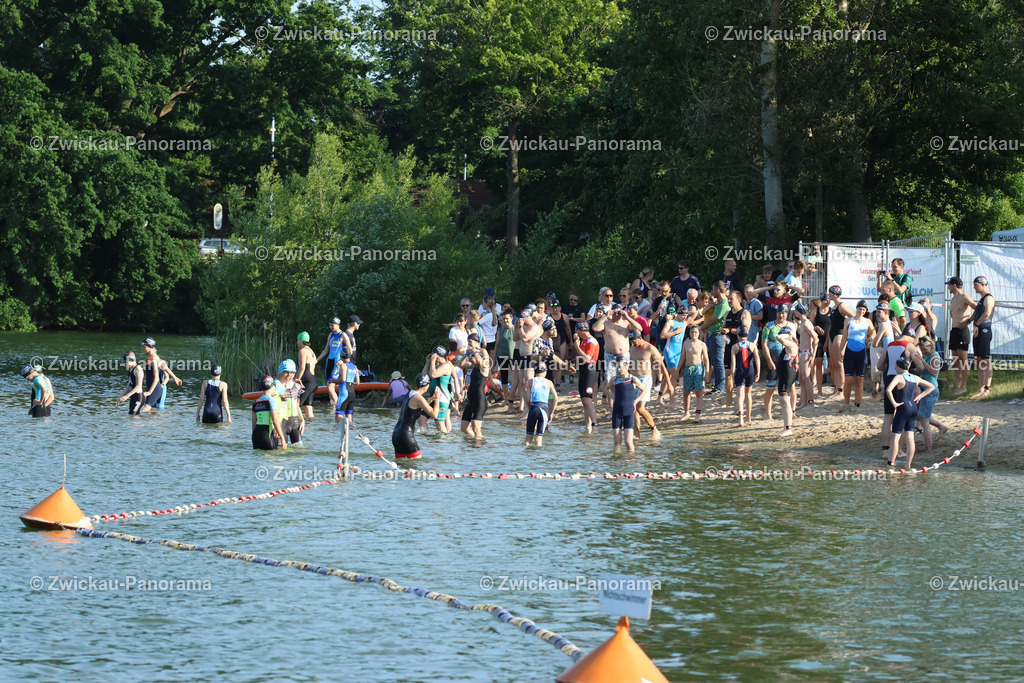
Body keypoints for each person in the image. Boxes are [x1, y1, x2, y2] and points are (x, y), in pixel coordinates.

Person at [877, 329, 924, 460]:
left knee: (888, 416)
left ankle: (886, 451)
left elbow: (880, 366)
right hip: (903, 382)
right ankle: (899, 450)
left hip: (889, 380)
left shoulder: (889, 345)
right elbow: (921, 367)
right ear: (911, 337)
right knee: (902, 416)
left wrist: (890, 368)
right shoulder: (910, 346)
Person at [886, 357, 935, 468]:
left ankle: (891, 464)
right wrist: (920, 396)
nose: (895, 368)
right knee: (910, 438)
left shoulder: (899, 377)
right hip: (913, 408)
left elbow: (888, 390)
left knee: (895, 438)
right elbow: (931, 387)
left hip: (903, 408)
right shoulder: (915, 377)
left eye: (896, 366)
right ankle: (908, 465)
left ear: (900, 367)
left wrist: (894, 403)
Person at [591, 304, 642, 405]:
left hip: (624, 355)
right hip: (610, 355)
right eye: (615, 312)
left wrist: (627, 316)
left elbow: (639, 328)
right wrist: (605, 315)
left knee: (625, 378)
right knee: (611, 380)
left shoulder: (626, 323)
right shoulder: (606, 323)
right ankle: (612, 406)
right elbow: (595, 328)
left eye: (619, 312)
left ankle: (624, 400)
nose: (617, 314)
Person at [837, 300, 875, 412]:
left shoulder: (867, 321)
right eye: (859, 309)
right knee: (848, 380)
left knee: (859, 380)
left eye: (863, 310)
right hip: (850, 351)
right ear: (856, 309)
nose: (861, 311)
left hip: (861, 352)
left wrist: (869, 339)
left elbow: (874, 332)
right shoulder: (849, 321)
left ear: (865, 311)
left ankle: (857, 404)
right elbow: (844, 336)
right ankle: (846, 403)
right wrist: (841, 350)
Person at [392, 373, 441, 460]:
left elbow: (418, 408)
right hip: (406, 435)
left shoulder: (410, 394)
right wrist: (437, 398)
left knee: (401, 464)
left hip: (396, 434)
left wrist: (432, 399)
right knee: (417, 462)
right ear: (427, 385)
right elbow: (434, 414)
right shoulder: (418, 398)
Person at [628, 329, 664, 440]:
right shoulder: (632, 348)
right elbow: (630, 365)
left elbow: (660, 364)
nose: (632, 344)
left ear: (640, 338)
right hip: (633, 379)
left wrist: (664, 380)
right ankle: (636, 434)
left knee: (640, 408)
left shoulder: (650, 348)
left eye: (634, 342)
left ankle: (655, 429)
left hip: (645, 379)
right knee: (633, 408)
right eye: (631, 342)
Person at [761, 304, 795, 421]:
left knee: (791, 387)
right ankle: (768, 415)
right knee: (770, 388)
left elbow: (795, 343)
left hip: (787, 361)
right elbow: (764, 344)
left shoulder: (791, 326)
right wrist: (769, 360)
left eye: (784, 313)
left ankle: (792, 411)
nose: (781, 315)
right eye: (780, 313)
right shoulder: (769, 326)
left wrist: (795, 361)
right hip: (774, 360)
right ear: (777, 313)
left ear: (787, 313)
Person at [915, 337, 948, 451]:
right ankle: (941, 426)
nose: (923, 352)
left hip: (931, 391)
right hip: (923, 389)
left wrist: (922, 361)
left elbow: (934, 373)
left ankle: (929, 448)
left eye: (924, 349)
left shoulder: (934, 356)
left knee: (924, 420)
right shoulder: (925, 355)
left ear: (930, 346)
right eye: (921, 350)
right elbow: (922, 371)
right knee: (918, 415)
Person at [966, 275, 996, 397]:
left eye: (976, 285)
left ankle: (987, 389)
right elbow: (977, 312)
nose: (974, 287)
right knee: (978, 360)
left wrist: (977, 324)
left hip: (984, 330)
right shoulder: (981, 299)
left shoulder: (989, 298)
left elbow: (987, 313)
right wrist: (969, 321)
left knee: (985, 360)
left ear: (983, 285)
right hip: (978, 330)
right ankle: (981, 389)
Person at [946, 276, 974, 396]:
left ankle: (964, 386)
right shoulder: (953, 299)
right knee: (956, 361)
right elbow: (953, 313)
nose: (948, 287)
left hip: (962, 331)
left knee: (963, 360)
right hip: (954, 331)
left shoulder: (964, 297)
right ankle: (958, 386)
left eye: (949, 285)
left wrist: (968, 321)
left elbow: (977, 308)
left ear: (954, 285)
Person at [700, 282, 730, 395]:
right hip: (713, 334)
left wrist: (703, 326)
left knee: (718, 362)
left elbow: (714, 318)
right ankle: (717, 385)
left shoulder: (723, 304)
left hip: (717, 335)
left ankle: (720, 387)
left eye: (713, 290)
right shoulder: (720, 303)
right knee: (715, 362)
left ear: (717, 290)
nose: (712, 292)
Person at [459, 333, 491, 438]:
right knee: (464, 428)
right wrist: (465, 355)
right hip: (471, 400)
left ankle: (480, 443)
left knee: (476, 428)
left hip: (479, 400)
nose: (468, 344)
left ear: (477, 342)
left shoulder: (484, 367)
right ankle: (477, 442)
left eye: (470, 342)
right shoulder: (474, 367)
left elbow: (480, 361)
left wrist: (475, 351)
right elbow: (460, 364)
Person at [611, 359, 644, 453]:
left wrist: (635, 402)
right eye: (617, 367)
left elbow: (644, 390)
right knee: (617, 442)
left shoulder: (633, 379)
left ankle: (631, 459)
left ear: (626, 366)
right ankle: (617, 460)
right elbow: (606, 389)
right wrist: (613, 397)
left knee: (628, 442)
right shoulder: (615, 379)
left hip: (628, 412)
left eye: (620, 367)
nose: (619, 369)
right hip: (617, 412)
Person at [825, 286, 854, 396]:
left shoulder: (842, 306)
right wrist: (828, 339)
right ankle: (837, 388)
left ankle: (841, 390)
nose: (829, 295)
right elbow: (832, 325)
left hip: (839, 334)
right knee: (833, 364)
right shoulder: (833, 307)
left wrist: (847, 329)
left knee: (839, 363)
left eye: (830, 293)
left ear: (834, 294)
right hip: (832, 335)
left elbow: (853, 317)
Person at [573, 322, 601, 432]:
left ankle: (594, 425)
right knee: (584, 401)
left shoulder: (591, 341)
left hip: (590, 371)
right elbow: (582, 358)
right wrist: (573, 361)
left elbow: (588, 359)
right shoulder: (584, 341)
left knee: (587, 400)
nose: (576, 333)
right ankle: (587, 428)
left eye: (576, 330)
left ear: (581, 331)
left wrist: (577, 347)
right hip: (583, 370)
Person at [679, 325, 711, 423]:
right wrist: (677, 370)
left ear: (699, 333)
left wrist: (707, 372)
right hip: (688, 368)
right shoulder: (686, 343)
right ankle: (686, 413)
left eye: (695, 332)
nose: (693, 334)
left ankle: (697, 414)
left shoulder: (702, 344)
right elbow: (682, 358)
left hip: (698, 368)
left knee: (699, 391)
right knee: (686, 391)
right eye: (692, 332)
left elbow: (706, 359)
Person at [424, 345, 458, 433]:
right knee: (431, 422)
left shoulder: (446, 366)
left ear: (438, 356)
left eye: (433, 355)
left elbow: (433, 375)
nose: (432, 357)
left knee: (440, 424)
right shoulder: (435, 366)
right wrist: (428, 362)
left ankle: (445, 440)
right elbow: (424, 376)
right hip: (434, 396)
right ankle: (442, 438)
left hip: (442, 397)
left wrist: (457, 393)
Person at [730, 326, 760, 427]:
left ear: (738, 335)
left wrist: (733, 377)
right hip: (750, 371)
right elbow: (757, 358)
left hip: (740, 371)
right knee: (748, 394)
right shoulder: (752, 345)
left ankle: (741, 419)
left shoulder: (735, 347)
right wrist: (758, 372)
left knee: (740, 396)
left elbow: (733, 364)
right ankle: (748, 417)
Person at [524, 363, 559, 447]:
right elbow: (556, 398)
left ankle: (526, 454)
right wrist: (551, 413)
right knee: (539, 438)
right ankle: (539, 454)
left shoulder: (530, 381)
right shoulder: (549, 382)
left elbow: (527, 398)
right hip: (544, 409)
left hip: (533, 408)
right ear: (545, 372)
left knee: (528, 438)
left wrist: (529, 409)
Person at [721, 290, 745, 408]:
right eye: (728, 299)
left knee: (741, 373)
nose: (729, 301)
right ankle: (729, 400)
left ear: (738, 300)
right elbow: (723, 327)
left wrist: (730, 330)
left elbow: (745, 330)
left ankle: (742, 400)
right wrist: (723, 331)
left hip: (740, 346)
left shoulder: (744, 313)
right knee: (728, 373)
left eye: (731, 299)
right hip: (729, 345)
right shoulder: (727, 313)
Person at [774, 327, 799, 437]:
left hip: (787, 376)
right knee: (783, 401)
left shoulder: (792, 345)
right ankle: (786, 427)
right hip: (784, 375)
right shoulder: (788, 347)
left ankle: (788, 428)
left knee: (785, 401)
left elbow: (778, 338)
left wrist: (788, 336)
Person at [792, 303, 818, 410]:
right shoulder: (802, 323)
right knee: (802, 378)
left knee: (807, 378)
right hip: (802, 352)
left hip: (807, 353)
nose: (794, 312)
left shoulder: (807, 323)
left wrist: (813, 355)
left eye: (795, 311)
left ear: (799, 311)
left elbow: (816, 339)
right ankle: (803, 401)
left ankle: (811, 402)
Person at [252, 376, 287, 451]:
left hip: (255, 434)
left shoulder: (256, 402)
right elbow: (275, 421)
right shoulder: (272, 400)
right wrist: (283, 439)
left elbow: (254, 423)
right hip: (267, 433)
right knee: (272, 456)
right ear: (272, 386)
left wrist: (254, 436)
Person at [275, 359, 304, 444]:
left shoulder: (297, 387)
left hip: (295, 423)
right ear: (280, 372)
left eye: (291, 373)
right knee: (281, 450)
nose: (289, 375)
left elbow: (297, 405)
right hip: (281, 424)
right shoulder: (275, 387)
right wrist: (274, 427)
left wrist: (302, 420)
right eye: (286, 372)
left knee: (299, 449)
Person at [329, 348, 359, 427]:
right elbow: (357, 382)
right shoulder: (354, 366)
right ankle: (349, 432)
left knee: (338, 417)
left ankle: (339, 432)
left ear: (341, 355)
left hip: (344, 393)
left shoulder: (343, 365)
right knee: (349, 418)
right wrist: (350, 382)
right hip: (352, 392)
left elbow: (343, 379)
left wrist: (333, 381)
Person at [810, 294, 833, 398]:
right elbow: (809, 325)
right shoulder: (815, 312)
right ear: (822, 301)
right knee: (818, 365)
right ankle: (819, 390)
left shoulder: (832, 311)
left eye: (829, 300)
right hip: (819, 341)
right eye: (826, 300)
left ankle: (837, 389)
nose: (828, 302)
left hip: (830, 340)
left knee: (832, 365)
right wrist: (816, 327)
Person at [296, 331, 318, 420]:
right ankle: (312, 426)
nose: (297, 342)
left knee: (295, 405)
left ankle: (298, 423)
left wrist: (296, 379)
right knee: (307, 406)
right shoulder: (311, 351)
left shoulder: (303, 351)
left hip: (307, 383)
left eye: (298, 340)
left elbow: (302, 368)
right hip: (313, 382)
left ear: (301, 340)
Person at [317, 317, 344, 384]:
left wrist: (342, 360)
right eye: (329, 325)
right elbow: (326, 349)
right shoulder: (330, 335)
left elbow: (350, 350)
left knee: (331, 384)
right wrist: (317, 360)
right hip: (329, 360)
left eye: (332, 325)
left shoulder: (343, 335)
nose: (330, 327)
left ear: (337, 325)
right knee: (328, 382)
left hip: (337, 362)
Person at [139, 338, 163, 413]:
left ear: (150, 347)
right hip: (150, 388)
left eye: (144, 347)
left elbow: (156, 378)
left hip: (155, 389)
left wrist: (149, 392)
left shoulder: (154, 360)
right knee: (151, 413)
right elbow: (150, 376)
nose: (142, 348)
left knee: (144, 410)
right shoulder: (149, 358)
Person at [478, 289, 500, 360]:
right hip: (492, 340)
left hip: (486, 341)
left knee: (485, 360)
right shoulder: (493, 315)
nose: (482, 304)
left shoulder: (487, 316)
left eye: (483, 303)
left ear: (487, 304)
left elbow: (477, 324)